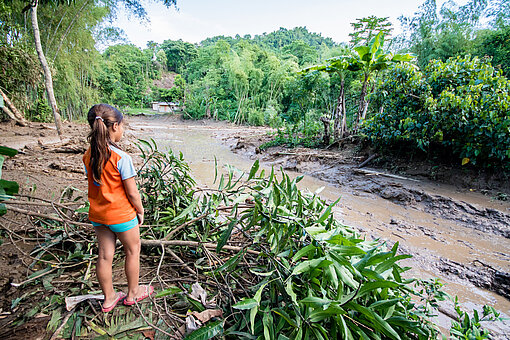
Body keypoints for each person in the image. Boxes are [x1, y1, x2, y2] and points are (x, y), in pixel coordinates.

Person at [83, 104, 153, 312]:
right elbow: (132, 193)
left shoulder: (89, 155)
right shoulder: (122, 158)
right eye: (122, 126)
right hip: (121, 215)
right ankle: (133, 293)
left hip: (98, 214)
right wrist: (139, 210)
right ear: (114, 127)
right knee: (133, 250)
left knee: (105, 255)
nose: (122, 130)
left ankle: (109, 297)